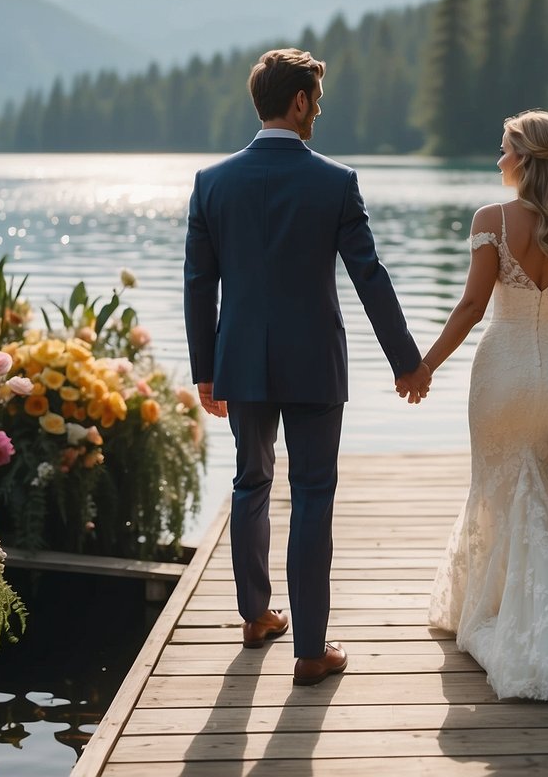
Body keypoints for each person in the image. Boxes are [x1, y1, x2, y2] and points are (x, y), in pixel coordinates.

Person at [184, 48, 431, 687]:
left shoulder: (211, 182)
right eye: (315, 101)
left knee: (249, 483)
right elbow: (369, 278)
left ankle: (256, 616)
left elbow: (198, 284)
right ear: (297, 102)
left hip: (239, 358)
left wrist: (205, 370)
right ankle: (312, 650)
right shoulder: (335, 181)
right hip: (315, 363)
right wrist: (407, 362)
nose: (317, 112)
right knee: (313, 494)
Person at [425, 110, 548, 701]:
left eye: (505, 149)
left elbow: (470, 308)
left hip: (502, 376)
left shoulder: (493, 219)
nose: (499, 159)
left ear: (526, 161)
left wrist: (424, 366)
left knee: (497, 486)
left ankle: (493, 611)